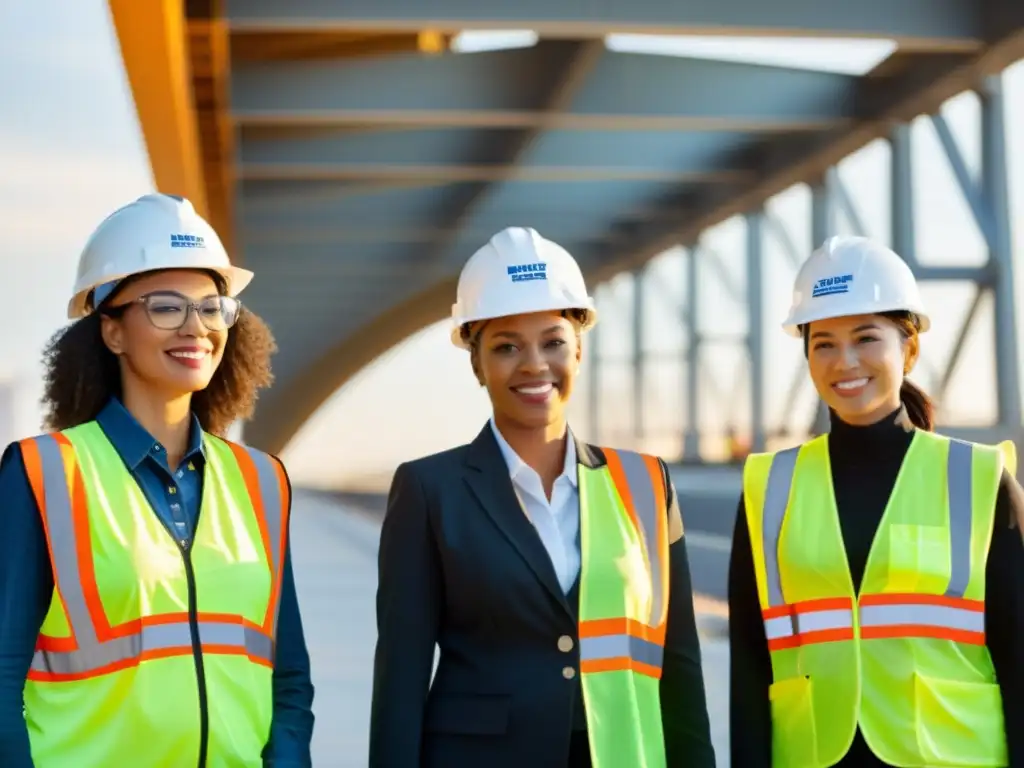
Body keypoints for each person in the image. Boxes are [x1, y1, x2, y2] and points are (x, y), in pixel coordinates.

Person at [369, 227, 717, 768]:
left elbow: (679, 665)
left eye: (553, 342)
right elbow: (400, 680)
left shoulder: (646, 483)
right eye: (507, 346)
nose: (534, 365)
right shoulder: (428, 490)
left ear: (578, 350)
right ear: (477, 363)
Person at [0, 193, 315, 767]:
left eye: (212, 307)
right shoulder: (44, 474)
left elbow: (288, 676)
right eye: (166, 307)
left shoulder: (262, 482)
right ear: (112, 331)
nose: (196, 327)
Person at [728, 235, 1024, 767]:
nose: (845, 362)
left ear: (908, 348)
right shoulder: (769, 487)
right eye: (824, 343)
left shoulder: (979, 478)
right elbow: (751, 667)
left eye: (866, 338)